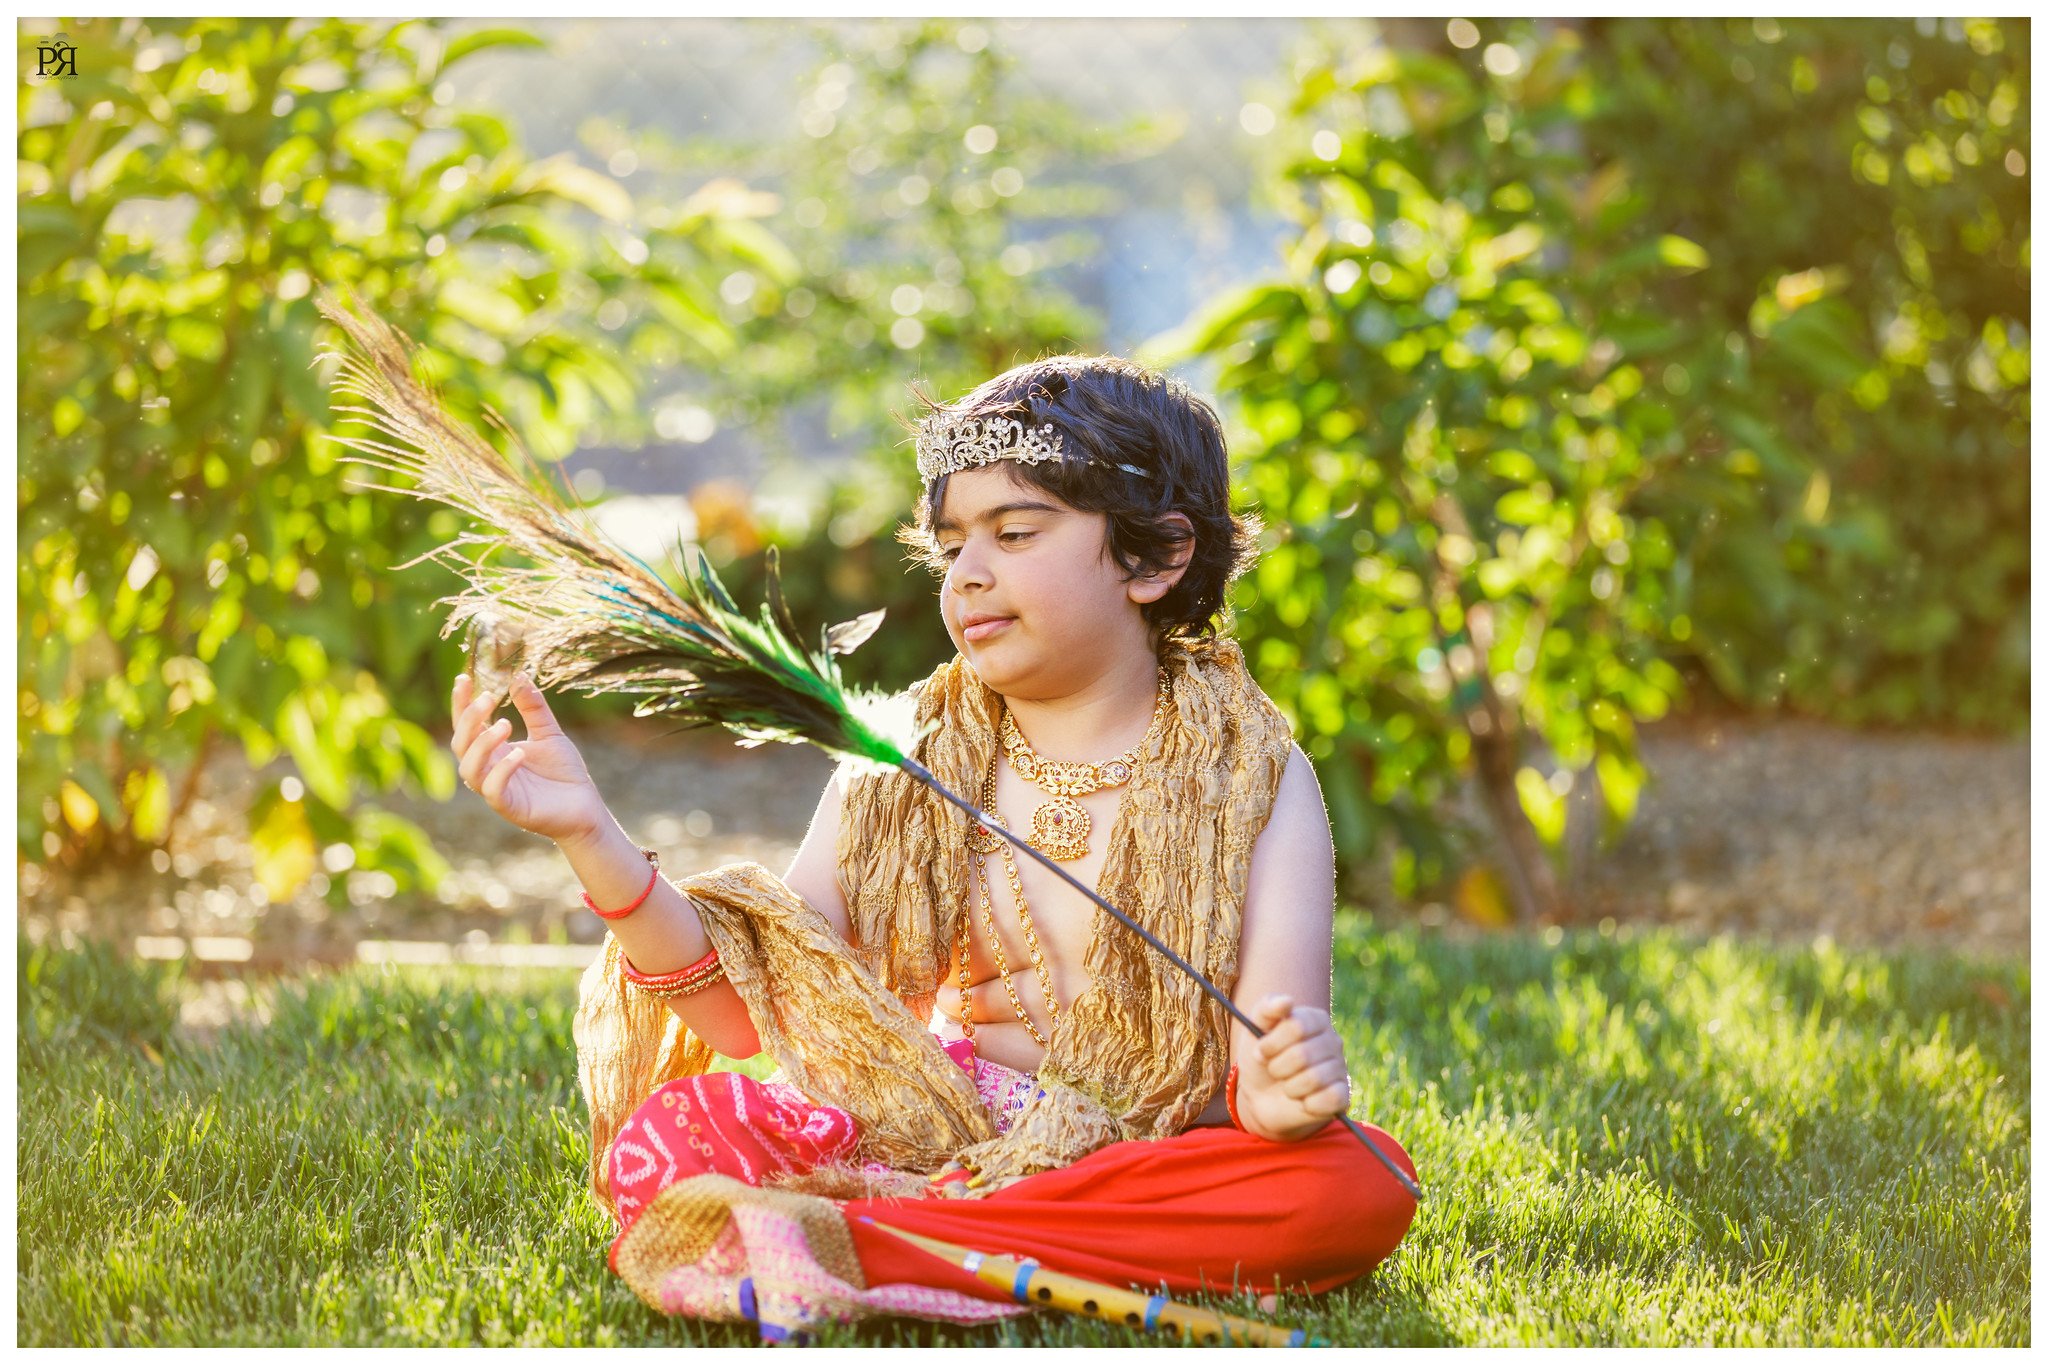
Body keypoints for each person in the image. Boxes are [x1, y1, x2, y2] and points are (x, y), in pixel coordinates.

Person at [448, 355, 1418, 1341]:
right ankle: (906, 1232)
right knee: (685, 1133)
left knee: (1349, 1185)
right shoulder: (902, 763)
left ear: (1155, 558)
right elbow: (747, 1019)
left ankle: (851, 1242)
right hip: (930, 1133)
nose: (969, 575)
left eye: (1015, 532)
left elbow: (1265, 1071)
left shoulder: (1255, 776)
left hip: (1148, 1154)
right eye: (950, 546)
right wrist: (588, 834)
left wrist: (1287, 1095)